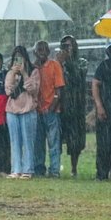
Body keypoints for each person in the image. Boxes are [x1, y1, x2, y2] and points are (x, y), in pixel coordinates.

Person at [5, 46, 40, 179]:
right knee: (15, 141)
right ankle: (16, 169)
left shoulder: (34, 71)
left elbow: (33, 90)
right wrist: (14, 74)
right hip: (12, 110)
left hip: (28, 109)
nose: (18, 61)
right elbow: (8, 90)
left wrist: (24, 73)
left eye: (21, 58)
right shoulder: (10, 73)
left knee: (28, 140)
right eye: (16, 58)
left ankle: (28, 169)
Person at [56, 35, 88, 177]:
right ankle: (55, 166)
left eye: (70, 45)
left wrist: (67, 62)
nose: (68, 48)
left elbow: (78, 78)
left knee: (75, 140)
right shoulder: (57, 63)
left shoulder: (82, 62)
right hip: (60, 105)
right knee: (56, 138)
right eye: (65, 46)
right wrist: (59, 63)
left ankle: (74, 168)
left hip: (76, 106)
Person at [33, 40, 65, 178]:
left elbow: (59, 89)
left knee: (54, 142)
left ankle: (54, 170)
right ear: (34, 52)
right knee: (38, 143)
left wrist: (52, 106)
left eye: (44, 49)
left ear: (48, 51)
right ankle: (39, 168)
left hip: (52, 110)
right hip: (36, 110)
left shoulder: (54, 65)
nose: (41, 52)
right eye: (39, 50)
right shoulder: (33, 67)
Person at [92, 42, 111, 181]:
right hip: (106, 110)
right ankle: (101, 174)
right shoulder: (105, 66)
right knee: (104, 143)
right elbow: (95, 84)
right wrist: (99, 105)